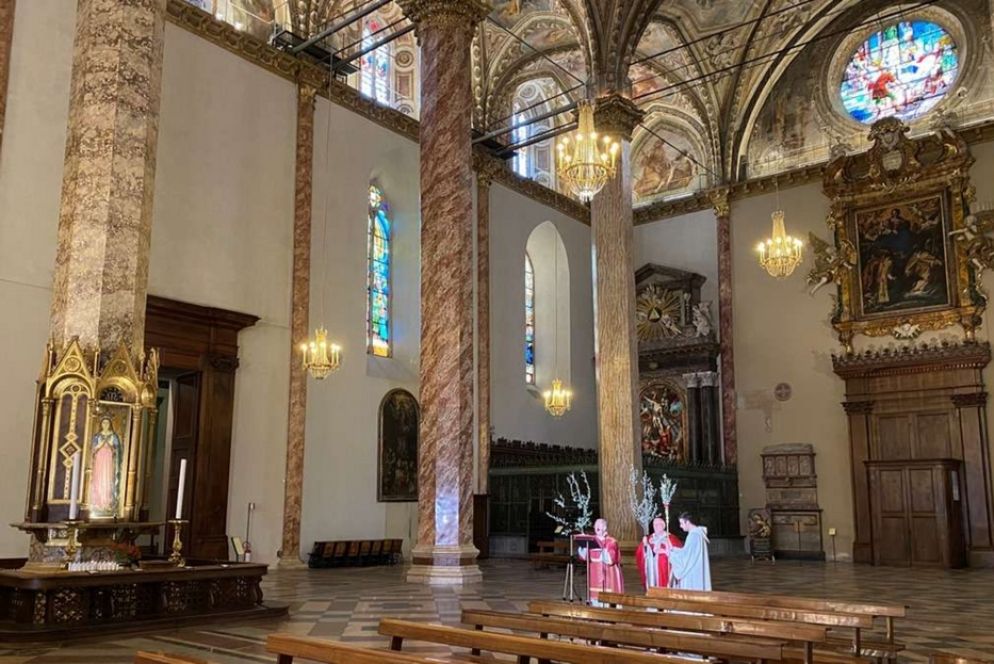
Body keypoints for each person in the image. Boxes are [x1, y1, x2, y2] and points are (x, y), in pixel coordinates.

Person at [577, 518, 623, 604]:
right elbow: (584, 556)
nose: (597, 526)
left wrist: (603, 548)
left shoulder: (611, 541)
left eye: (600, 525)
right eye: (596, 525)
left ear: (605, 527)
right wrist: (582, 545)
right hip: (594, 573)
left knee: (608, 600)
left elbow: (611, 559)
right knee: (595, 598)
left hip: (608, 574)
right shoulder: (591, 540)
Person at [664, 512, 712, 591]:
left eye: (682, 523)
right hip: (696, 569)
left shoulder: (694, 536)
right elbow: (687, 552)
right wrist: (673, 549)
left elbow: (686, 558)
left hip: (692, 573)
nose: (680, 526)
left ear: (688, 522)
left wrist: (670, 554)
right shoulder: (696, 533)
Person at [635, 517, 682, 591]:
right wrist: (645, 545)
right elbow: (640, 553)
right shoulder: (649, 538)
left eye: (658, 524)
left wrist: (665, 551)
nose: (656, 526)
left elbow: (678, 554)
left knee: (666, 587)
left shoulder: (671, 538)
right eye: (654, 525)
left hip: (665, 569)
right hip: (652, 570)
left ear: (663, 526)